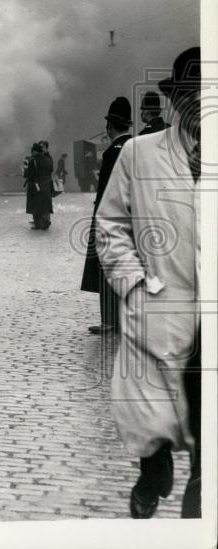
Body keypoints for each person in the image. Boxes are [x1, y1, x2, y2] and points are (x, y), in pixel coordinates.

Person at [96, 47, 201, 518]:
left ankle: (199, 497)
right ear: (178, 101)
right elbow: (110, 225)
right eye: (193, 95)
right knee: (152, 410)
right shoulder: (139, 153)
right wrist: (135, 283)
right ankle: (153, 469)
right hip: (160, 306)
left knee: (206, 421)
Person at [80, 96, 133, 334]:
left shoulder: (112, 152)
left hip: (109, 218)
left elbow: (106, 192)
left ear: (110, 126)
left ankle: (109, 321)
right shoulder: (135, 146)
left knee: (105, 269)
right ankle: (123, 320)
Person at [24, 142, 53, 229]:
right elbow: (51, 170)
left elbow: (29, 174)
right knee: (45, 205)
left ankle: (38, 224)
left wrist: (26, 167)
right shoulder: (48, 159)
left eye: (32, 151)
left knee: (35, 206)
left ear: (34, 151)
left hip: (35, 186)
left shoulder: (33, 161)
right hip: (46, 186)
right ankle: (46, 221)